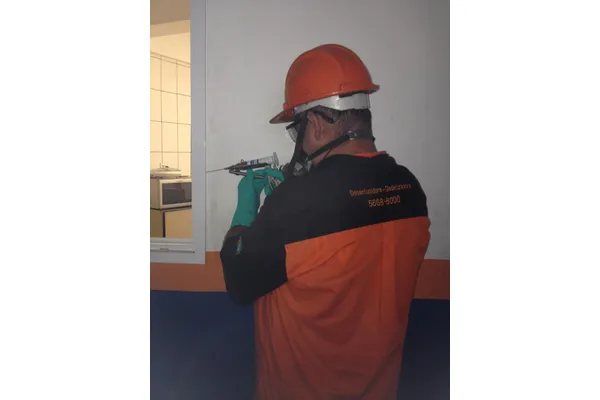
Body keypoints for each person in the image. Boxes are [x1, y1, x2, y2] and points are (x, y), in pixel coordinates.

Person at [220, 44, 431, 400]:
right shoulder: (409, 188)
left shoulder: (297, 202)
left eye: (296, 131)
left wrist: (246, 212)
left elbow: (238, 280)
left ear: (315, 124)